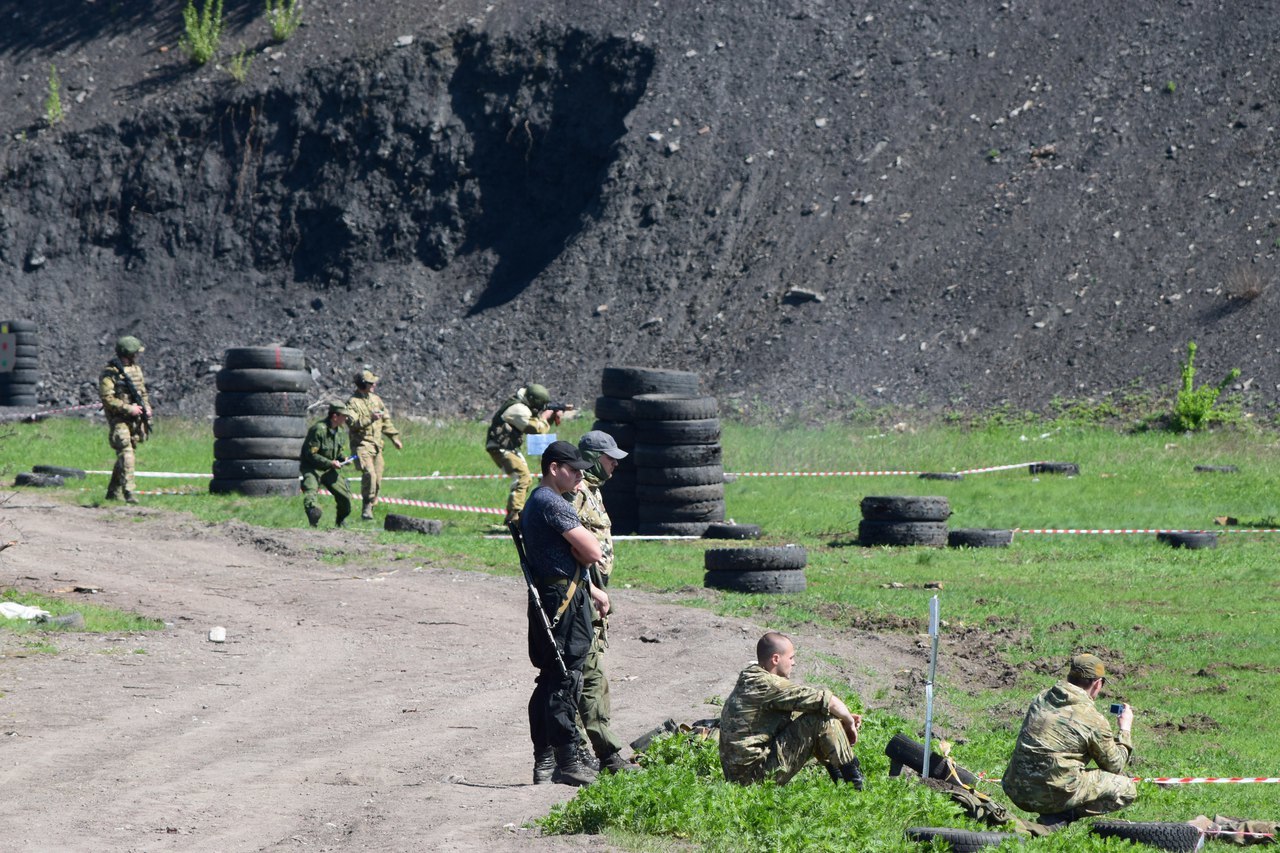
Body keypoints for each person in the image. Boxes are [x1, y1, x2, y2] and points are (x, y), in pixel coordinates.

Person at [520, 440, 608, 787]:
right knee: (564, 675)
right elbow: (592, 549)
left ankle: (545, 759)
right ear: (554, 469)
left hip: (557, 592)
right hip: (561, 600)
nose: (579, 476)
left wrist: (591, 585)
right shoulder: (551, 502)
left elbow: (577, 555)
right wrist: (583, 552)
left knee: (551, 677)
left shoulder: (541, 500)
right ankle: (566, 759)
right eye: (573, 470)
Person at [565, 430, 640, 776]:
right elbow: (569, 543)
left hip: (594, 590)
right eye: (610, 458)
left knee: (591, 673)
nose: (614, 465)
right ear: (594, 457)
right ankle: (594, 752)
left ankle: (587, 750)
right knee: (587, 675)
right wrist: (590, 588)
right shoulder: (577, 493)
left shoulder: (592, 491)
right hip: (582, 592)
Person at [1002, 652, 1137, 826]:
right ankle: (1060, 818)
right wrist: (1125, 729)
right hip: (1049, 796)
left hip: (1016, 789)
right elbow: (1115, 765)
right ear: (1097, 684)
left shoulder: (1042, 697)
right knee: (1126, 789)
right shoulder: (1093, 719)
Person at [719, 631, 865, 788]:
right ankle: (855, 785)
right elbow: (829, 702)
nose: (793, 663)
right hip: (754, 779)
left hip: (741, 776)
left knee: (813, 716)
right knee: (821, 720)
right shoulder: (770, 685)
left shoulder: (750, 679)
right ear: (776, 659)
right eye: (791, 658)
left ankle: (842, 778)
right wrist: (849, 723)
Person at [486, 382, 570, 524]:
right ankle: (514, 519)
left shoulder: (521, 404)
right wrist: (545, 417)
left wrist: (550, 417)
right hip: (500, 448)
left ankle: (513, 517)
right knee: (522, 478)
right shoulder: (518, 409)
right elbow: (536, 429)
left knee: (526, 478)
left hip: (507, 448)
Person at [98, 335, 152, 504]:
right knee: (127, 453)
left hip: (135, 420)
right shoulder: (110, 373)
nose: (137, 355)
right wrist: (129, 408)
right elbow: (107, 399)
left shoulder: (136, 369)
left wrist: (147, 408)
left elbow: (142, 392)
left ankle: (113, 493)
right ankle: (129, 492)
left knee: (126, 454)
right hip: (119, 419)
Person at [346, 369, 403, 520]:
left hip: (377, 446)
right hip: (362, 446)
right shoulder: (352, 403)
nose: (374, 385)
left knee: (377, 478)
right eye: (371, 383)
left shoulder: (376, 400)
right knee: (369, 475)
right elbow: (352, 423)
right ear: (362, 384)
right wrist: (369, 418)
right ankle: (366, 507)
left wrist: (394, 437)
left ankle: (372, 503)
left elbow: (385, 421)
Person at [300, 403, 354, 528]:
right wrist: (330, 463)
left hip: (329, 470)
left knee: (345, 497)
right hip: (312, 468)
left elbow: (338, 452)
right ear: (335, 416)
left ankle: (340, 522)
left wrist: (344, 459)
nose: (346, 419)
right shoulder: (318, 429)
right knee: (310, 492)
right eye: (344, 416)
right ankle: (314, 520)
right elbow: (311, 455)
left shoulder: (340, 432)